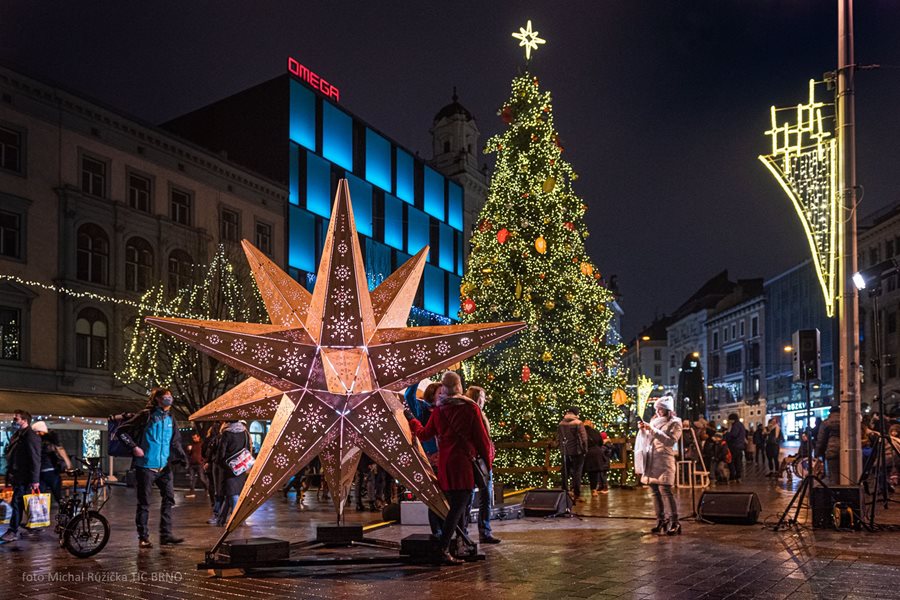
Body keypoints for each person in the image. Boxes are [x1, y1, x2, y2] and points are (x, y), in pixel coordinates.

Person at [407, 371, 493, 565]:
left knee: (455, 506)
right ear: (459, 386)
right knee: (458, 508)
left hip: (446, 466)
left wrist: (412, 420)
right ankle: (444, 548)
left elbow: (424, 434)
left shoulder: (439, 410)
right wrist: (487, 465)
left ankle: (457, 544)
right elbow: (482, 440)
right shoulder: (470, 409)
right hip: (462, 466)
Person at [117, 387, 188, 548]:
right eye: (166, 396)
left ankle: (166, 535)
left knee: (169, 499)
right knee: (144, 502)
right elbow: (122, 431)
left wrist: (183, 457)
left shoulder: (171, 417)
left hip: (164, 467)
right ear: (158, 399)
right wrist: (134, 447)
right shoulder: (146, 415)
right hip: (146, 466)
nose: (170, 399)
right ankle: (143, 537)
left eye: (171, 396)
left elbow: (175, 441)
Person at [638, 395, 682, 535]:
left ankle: (675, 522)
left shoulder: (675, 423)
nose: (657, 412)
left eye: (660, 409)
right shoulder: (654, 421)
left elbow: (670, 441)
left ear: (668, 410)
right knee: (654, 493)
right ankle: (661, 520)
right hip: (651, 460)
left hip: (663, 461)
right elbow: (649, 439)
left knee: (666, 492)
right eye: (656, 409)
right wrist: (643, 430)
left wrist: (652, 429)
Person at [464, 385, 500, 544]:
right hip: (478, 461)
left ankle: (479, 531)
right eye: (483, 397)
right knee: (475, 496)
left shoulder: (478, 413)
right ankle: (475, 531)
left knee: (481, 496)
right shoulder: (474, 413)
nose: (485, 401)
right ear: (478, 398)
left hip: (481, 461)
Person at [1, 410, 41, 543]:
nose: (14, 421)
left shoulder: (30, 436)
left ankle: (13, 530)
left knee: (17, 503)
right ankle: (33, 525)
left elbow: (35, 459)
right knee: (18, 503)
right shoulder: (18, 435)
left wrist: (35, 480)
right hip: (17, 476)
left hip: (24, 477)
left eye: (16, 419)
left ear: (24, 420)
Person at [215, 420, 252, 526]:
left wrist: (220, 463)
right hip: (240, 467)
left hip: (228, 468)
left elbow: (221, 453)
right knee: (231, 493)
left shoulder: (227, 433)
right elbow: (248, 448)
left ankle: (238, 519)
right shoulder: (245, 432)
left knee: (232, 494)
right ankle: (221, 520)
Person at [31, 420, 72, 509]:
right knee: (53, 496)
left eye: (37, 432)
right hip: (46, 472)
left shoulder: (47, 440)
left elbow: (60, 449)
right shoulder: (42, 440)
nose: (36, 434)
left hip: (50, 472)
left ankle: (65, 513)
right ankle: (43, 516)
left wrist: (67, 462)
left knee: (55, 496)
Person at [557, 406, 588, 501]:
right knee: (577, 472)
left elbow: (558, 437)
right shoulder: (578, 423)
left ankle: (564, 492)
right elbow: (584, 438)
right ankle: (577, 493)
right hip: (577, 451)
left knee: (565, 472)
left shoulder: (561, 423)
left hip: (565, 451)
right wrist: (585, 449)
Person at [584, 421, 611, 496]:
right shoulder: (595, 432)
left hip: (585, 453)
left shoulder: (581, 432)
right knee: (594, 473)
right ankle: (594, 490)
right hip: (596, 454)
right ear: (590, 425)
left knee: (579, 473)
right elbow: (600, 442)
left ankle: (575, 491)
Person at [816, 407, 842, 485]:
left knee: (834, 476)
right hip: (847, 451)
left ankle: (835, 495)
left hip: (832, 450)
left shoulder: (826, 422)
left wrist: (818, 452)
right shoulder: (846, 421)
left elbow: (821, 439)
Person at [723, 413, 746, 483]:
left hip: (734, 446)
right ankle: (738, 476)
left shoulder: (736, 425)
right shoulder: (741, 425)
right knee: (738, 461)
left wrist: (726, 434)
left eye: (729, 420)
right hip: (740, 446)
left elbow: (734, 434)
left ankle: (733, 476)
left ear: (732, 420)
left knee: (732, 461)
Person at [185, 432, 207, 499]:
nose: (194, 439)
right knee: (191, 479)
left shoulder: (202, 444)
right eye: (193, 438)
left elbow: (205, 453)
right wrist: (189, 450)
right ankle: (192, 492)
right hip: (192, 464)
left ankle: (207, 489)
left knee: (201, 478)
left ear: (198, 437)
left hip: (199, 464)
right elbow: (189, 454)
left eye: (195, 438)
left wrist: (204, 461)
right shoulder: (192, 445)